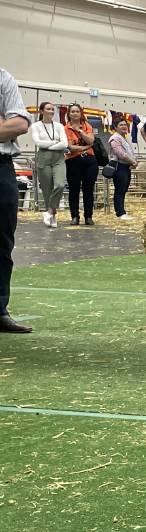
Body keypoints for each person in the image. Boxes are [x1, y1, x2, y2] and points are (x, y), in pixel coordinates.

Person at [0, 68, 32, 333]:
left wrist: (8, 127)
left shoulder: (3, 77)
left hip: (1, 166)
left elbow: (20, 124)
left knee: (2, 242)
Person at [30, 101, 66, 228]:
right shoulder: (35, 126)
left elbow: (64, 144)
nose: (51, 111)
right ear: (41, 111)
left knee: (60, 185)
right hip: (43, 158)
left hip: (58, 158)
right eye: (48, 109)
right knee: (47, 189)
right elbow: (38, 143)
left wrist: (49, 143)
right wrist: (55, 142)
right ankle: (52, 217)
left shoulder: (59, 126)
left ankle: (49, 211)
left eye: (53, 109)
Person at [64, 104, 99, 226]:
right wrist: (84, 147)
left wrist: (79, 131)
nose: (75, 113)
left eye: (77, 111)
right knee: (74, 190)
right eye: (72, 111)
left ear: (81, 113)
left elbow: (91, 140)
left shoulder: (87, 126)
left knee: (88, 189)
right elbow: (70, 147)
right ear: (69, 113)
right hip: (73, 161)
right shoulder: (65, 128)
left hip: (90, 161)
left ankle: (88, 216)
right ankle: (75, 216)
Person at [107, 119, 137, 221]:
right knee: (120, 190)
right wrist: (132, 161)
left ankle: (122, 211)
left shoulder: (124, 138)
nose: (124, 126)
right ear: (115, 127)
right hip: (119, 166)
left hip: (126, 166)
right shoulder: (115, 138)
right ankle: (120, 213)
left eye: (125, 124)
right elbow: (120, 153)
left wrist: (132, 162)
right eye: (121, 125)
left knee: (123, 189)